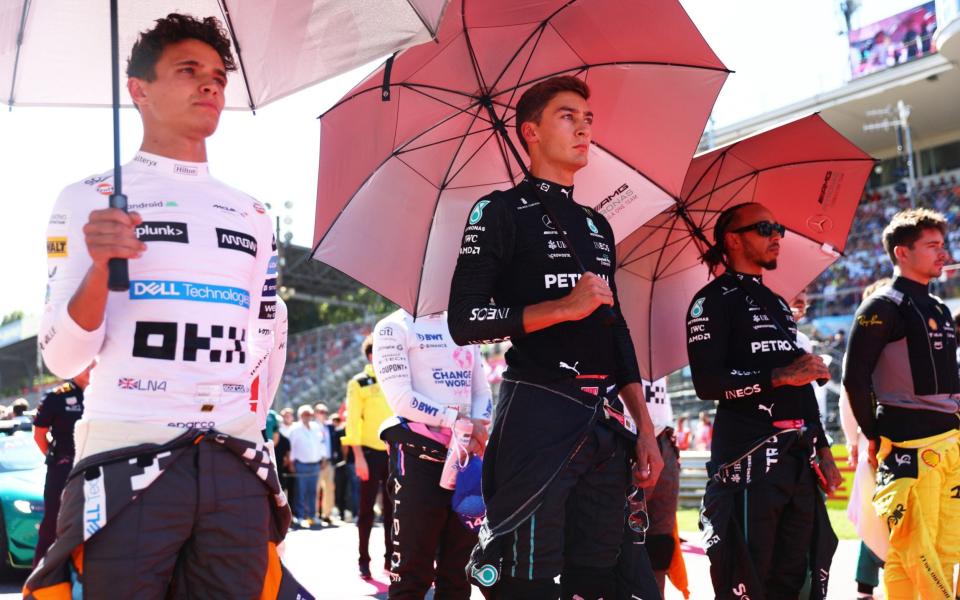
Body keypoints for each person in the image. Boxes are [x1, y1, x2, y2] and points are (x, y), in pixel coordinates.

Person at [27, 14, 296, 598]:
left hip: (235, 461)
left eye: (219, 76)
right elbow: (60, 357)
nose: (211, 86)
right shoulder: (86, 199)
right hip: (127, 457)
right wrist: (100, 267)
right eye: (189, 71)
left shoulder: (251, 213)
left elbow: (268, 337)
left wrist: (245, 426)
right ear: (139, 90)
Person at [448, 75, 662, 599]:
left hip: (605, 428)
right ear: (531, 132)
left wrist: (647, 429)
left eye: (588, 119)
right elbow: (466, 320)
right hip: (537, 416)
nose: (584, 128)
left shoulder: (596, 225)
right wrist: (562, 308)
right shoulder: (496, 211)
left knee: (601, 579)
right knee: (527, 581)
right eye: (568, 116)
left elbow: (616, 331)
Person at [686, 202, 842, 599]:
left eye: (778, 228)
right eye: (764, 228)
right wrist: (779, 375)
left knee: (794, 581)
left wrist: (823, 448)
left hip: (798, 461)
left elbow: (800, 384)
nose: (777, 236)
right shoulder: (710, 301)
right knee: (747, 579)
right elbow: (708, 383)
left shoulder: (778, 303)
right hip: (748, 461)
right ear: (733, 240)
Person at [843, 208, 960, 599]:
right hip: (908, 448)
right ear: (902, 252)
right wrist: (873, 435)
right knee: (916, 552)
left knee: (945, 549)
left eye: (943, 246)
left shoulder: (940, 308)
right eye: (932, 246)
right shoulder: (881, 307)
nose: (943, 254)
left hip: (949, 444)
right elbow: (853, 379)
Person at [373, 309, 492, 599]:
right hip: (417, 458)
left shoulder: (463, 325)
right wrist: (455, 421)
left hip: (465, 459)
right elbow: (402, 399)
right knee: (412, 572)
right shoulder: (392, 327)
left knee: (459, 572)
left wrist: (478, 425)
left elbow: (482, 390)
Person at [840, 278, 891, 600]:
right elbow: (849, 395)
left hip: (879, 440)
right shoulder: (865, 345)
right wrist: (855, 441)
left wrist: (854, 441)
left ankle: (865, 587)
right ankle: (866, 587)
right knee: (880, 514)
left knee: (877, 514)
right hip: (879, 442)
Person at [31, 365, 93, 566]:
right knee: (52, 524)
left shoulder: (102, 397)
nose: (90, 370)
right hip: (63, 469)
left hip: (94, 467)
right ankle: (38, 583)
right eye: (85, 366)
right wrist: (57, 459)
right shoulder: (57, 397)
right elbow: (39, 434)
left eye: (94, 365)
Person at [344, 335, 394, 579]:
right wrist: (358, 456)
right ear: (372, 356)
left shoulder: (397, 378)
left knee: (392, 511)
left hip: (394, 453)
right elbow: (352, 422)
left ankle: (390, 559)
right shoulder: (359, 383)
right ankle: (363, 560)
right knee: (366, 511)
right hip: (368, 453)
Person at [639, 377, 687, 597]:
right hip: (630, 437)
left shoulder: (660, 345)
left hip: (665, 441)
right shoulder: (615, 342)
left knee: (660, 542)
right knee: (622, 537)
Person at [287, 405, 328, 527]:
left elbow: (321, 444)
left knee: (313, 492)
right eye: (305, 414)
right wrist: (291, 462)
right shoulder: (295, 429)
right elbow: (291, 447)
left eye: (309, 414)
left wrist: (324, 458)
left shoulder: (316, 427)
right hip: (301, 464)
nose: (307, 416)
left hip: (315, 464)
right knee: (300, 492)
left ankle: (312, 515)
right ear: (300, 416)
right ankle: (299, 516)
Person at [314, 403, 337, 525]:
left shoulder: (330, 427)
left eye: (325, 411)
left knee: (329, 489)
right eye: (320, 411)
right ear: (315, 413)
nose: (323, 414)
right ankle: (315, 514)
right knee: (316, 490)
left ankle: (326, 514)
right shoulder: (312, 426)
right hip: (316, 463)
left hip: (329, 462)